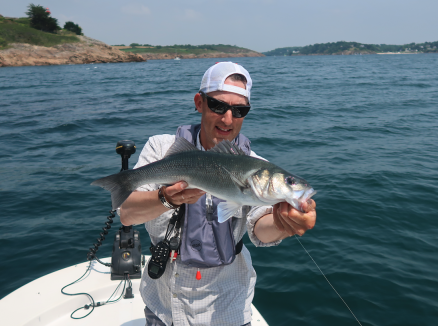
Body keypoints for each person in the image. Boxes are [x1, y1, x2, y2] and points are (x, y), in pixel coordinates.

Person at [120, 62, 317, 326]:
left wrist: (285, 225)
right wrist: (165, 198)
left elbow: (260, 227)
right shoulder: (162, 148)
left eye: (239, 110)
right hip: (165, 303)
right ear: (199, 102)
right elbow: (127, 214)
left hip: (228, 305)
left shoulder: (254, 164)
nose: (227, 119)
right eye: (217, 106)